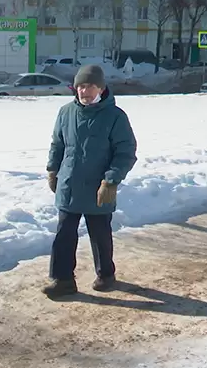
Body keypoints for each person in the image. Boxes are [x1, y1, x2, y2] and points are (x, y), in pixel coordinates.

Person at [43, 64, 138, 298]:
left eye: (90, 86)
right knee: (64, 234)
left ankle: (106, 274)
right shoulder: (66, 112)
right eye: (80, 87)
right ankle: (63, 280)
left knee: (100, 235)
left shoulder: (115, 117)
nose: (84, 92)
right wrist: (53, 170)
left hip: (98, 187)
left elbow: (126, 152)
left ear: (101, 88)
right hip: (70, 185)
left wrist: (111, 182)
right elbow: (58, 144)